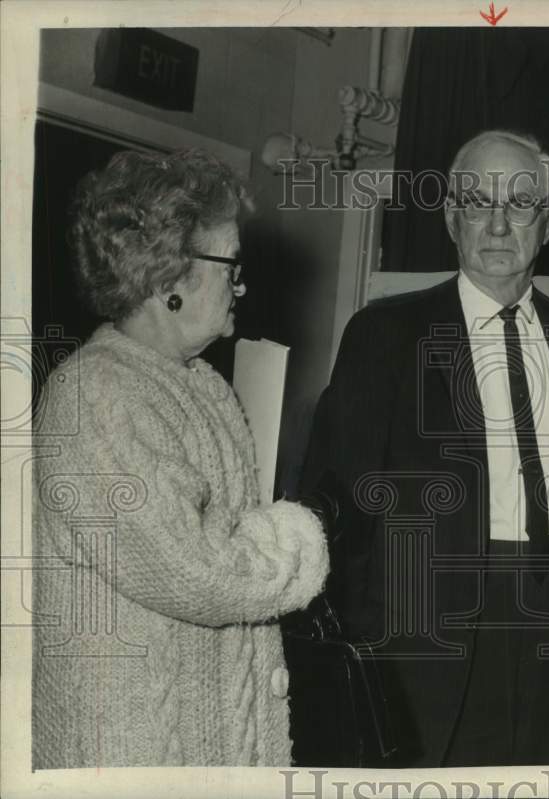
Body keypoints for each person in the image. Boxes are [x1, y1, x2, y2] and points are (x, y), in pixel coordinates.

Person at [292, 130, 549, 767]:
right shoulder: (384, 333)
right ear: (451, 217)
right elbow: (334, 503)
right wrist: (367, 650)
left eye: (521, 203)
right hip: (431, 639)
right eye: (477, 202)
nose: (498, 225)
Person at [31, 148, 330, 768]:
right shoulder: (95, 395)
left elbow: (223, 538)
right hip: (135, 746)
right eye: (231, 265)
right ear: (168, 279)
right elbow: (193, 570)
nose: (240, 284)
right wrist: (296, 541)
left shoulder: (200, 383)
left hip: (216, 731)